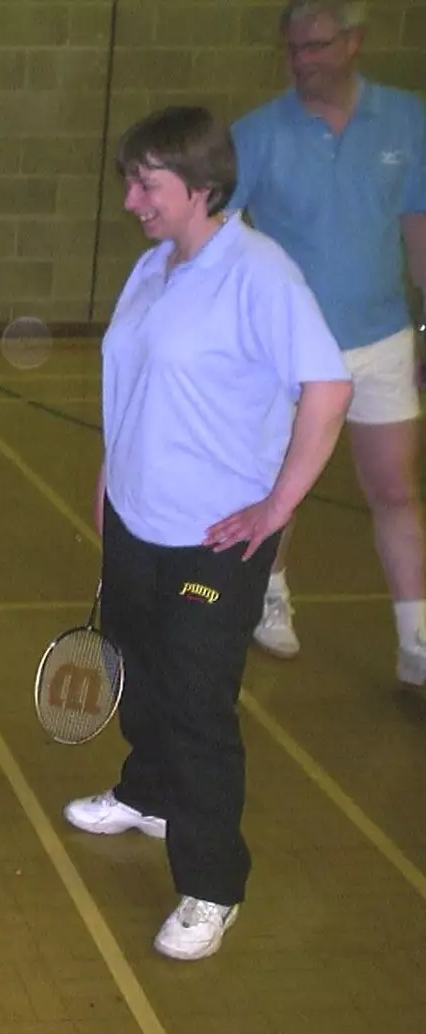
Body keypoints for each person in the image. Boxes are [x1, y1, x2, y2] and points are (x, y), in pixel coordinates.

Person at [66, 106, 352, 961]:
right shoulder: (155, 268)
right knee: (139, 673)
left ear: (201, 187)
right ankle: (147, 794)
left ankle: (212, 884)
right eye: (129, 180)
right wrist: (111, 477)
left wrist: (277, 508)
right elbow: (135, 380)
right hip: (137, 520)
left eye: (146, 184)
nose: (130, 200)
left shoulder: (259, 274)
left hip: (214, 541)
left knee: (195, 706)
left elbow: (327, 390)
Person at [229, 0, 426, 674]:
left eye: (314, 46)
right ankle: (270, 597)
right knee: (284, 484)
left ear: (354, 42)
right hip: (288, 352)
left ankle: (416, 639)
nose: (301, 61)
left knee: (396, 490)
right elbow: (218, 239)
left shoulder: (407, 119)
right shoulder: (255, 134)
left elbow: (418, 231)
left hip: (383, 340)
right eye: (292, 49)